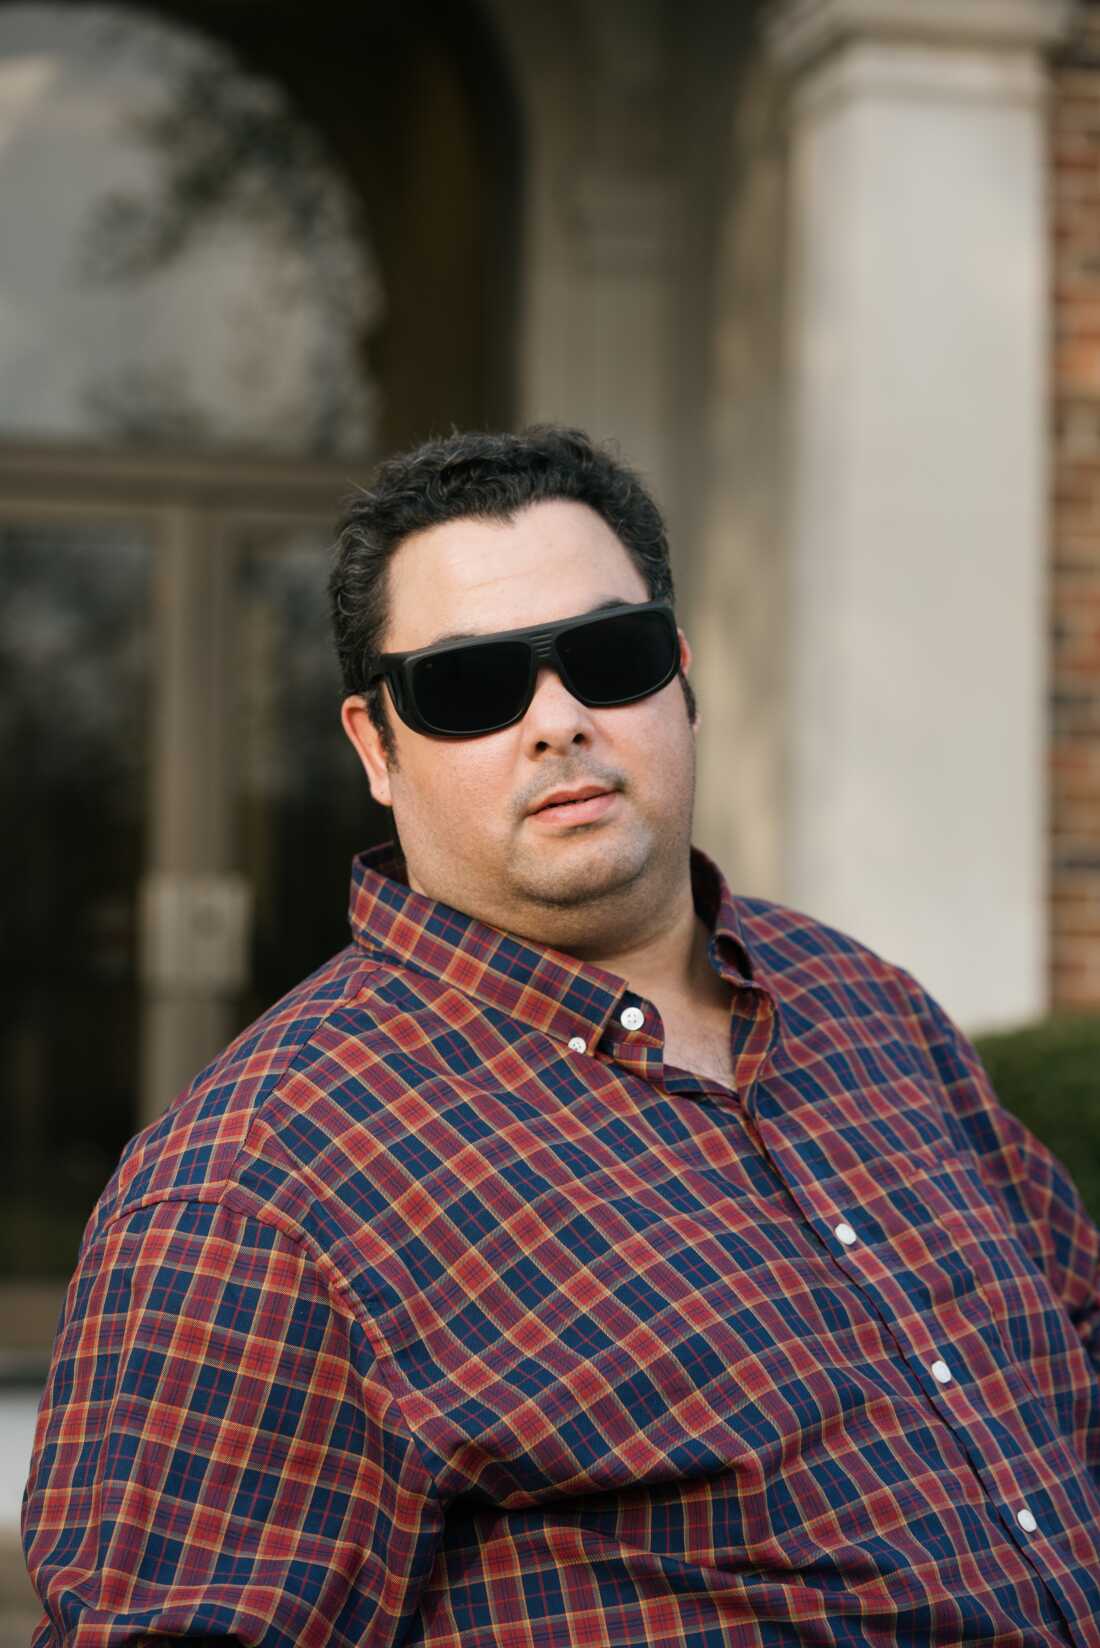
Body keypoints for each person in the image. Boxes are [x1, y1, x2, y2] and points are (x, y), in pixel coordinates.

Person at [22, 425, 1100, 1646]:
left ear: (680, 677)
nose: (556, 721)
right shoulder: (257, 1192)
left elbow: (1075, 1358)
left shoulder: (866, 1007)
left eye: (607, 655)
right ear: (375, 747)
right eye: (470, 686)